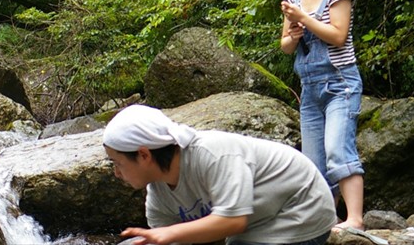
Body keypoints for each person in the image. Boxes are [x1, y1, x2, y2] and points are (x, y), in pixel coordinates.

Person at [103, 104, 336, 245]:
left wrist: (169, 233)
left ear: (144, 155)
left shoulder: (212, 154)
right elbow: (168, 238)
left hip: (300, 212)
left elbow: (233, 220)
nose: (116, 173)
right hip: (255, 227)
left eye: (117, 163)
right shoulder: (158, 197)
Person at [279, 0, 364, 232]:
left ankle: (355, 219)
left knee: (338, 150)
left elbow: (338, 36)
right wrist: (293, 33)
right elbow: (286, 46)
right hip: (310, 89)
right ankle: (324, 220)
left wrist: (304, 18)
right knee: (313, 162)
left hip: (340, 84)